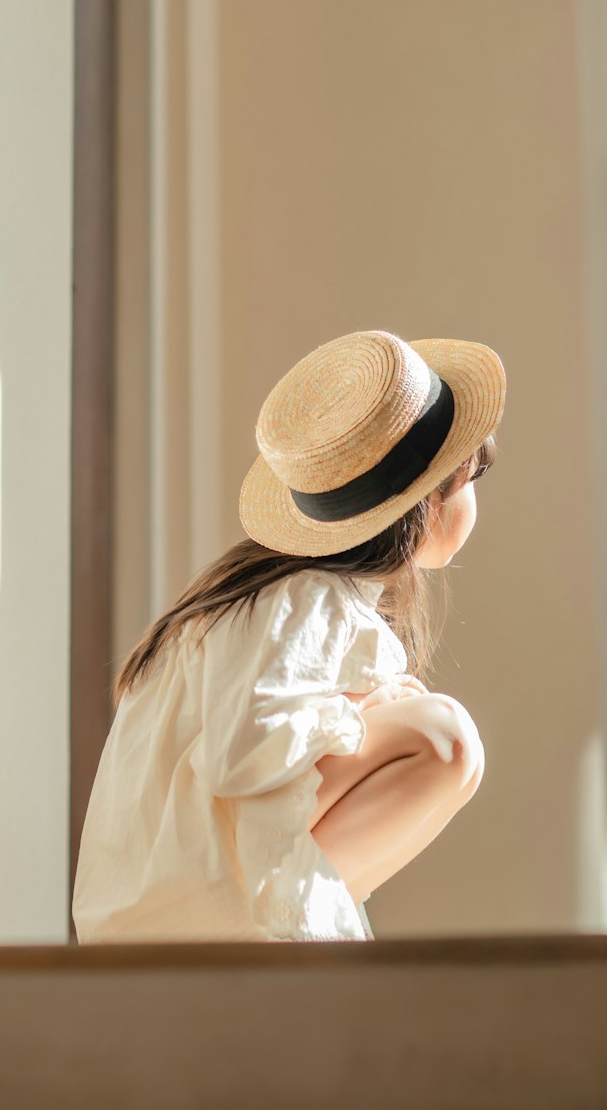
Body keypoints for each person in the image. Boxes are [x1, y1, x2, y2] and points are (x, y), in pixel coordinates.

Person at [72, 329, 506, 943]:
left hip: (147, 906)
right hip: (185, 905)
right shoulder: (307, 597)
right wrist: (366, 709)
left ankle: (294, 925)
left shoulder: (267, 595)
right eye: (470, 482)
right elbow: (241, 756)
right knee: (446, 738)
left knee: (438, 736)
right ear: (427, 503)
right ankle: (285, 936)